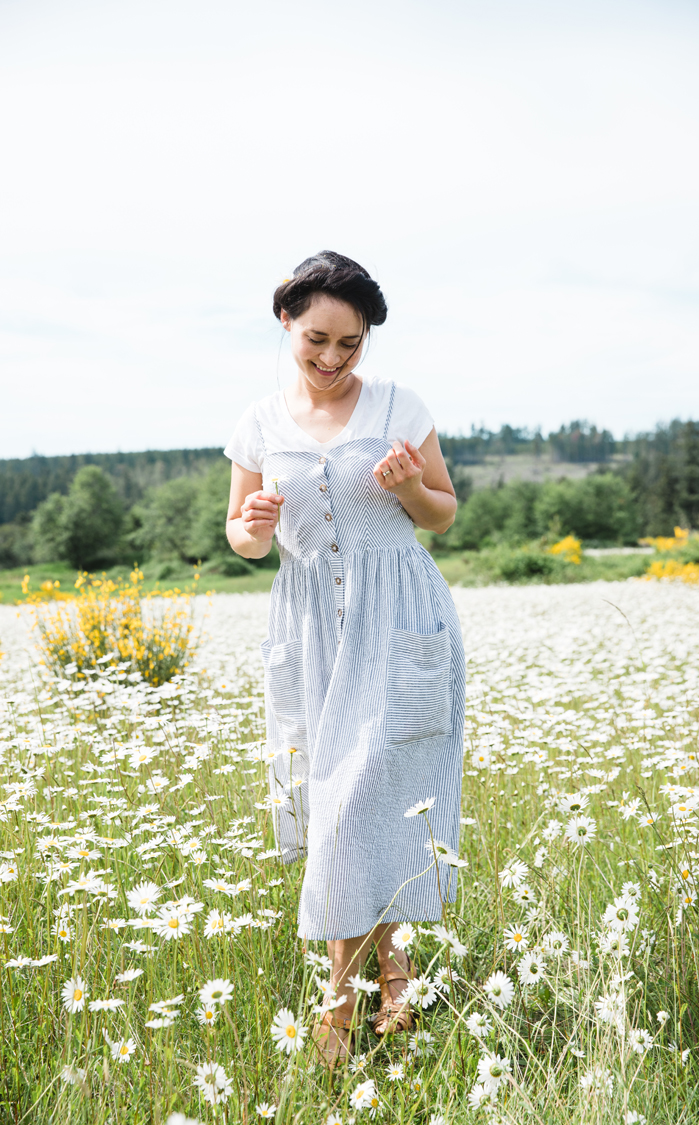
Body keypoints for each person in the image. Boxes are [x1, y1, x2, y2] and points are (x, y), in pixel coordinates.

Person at [224, 251, 465, 1066]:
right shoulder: (258, 421)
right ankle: (393, 980)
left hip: (398, 619)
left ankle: (337, 1008)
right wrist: (253, 522)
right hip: (308, 632)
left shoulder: (401, 404)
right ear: (285, 322)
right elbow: (243, 538)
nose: (332, 359)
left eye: (350, 344)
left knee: (374, 799)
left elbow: (442, 514)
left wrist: (405, 487)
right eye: (317, 339)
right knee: (334, 807)